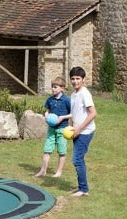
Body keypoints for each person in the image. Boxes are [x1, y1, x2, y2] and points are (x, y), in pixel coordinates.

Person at [35, 76, 72, 178]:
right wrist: (46, 115)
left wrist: (63, 117)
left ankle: (59, 172)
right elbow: (47, 110)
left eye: (55, 87)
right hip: (51, 129)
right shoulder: (50, 100)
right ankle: (43, 170)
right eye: (52, 87)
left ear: (62, 88)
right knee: (47, 150)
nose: (53, 89)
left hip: (62, 130)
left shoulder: (66, 100)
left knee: (62, 151)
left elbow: (72, 114)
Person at [69, 66, 97, 196]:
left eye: (78, 79)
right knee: (78, 159)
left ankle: (84, 189)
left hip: (85, 132)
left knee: (77, 159)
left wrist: (79, 128)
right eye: (73, 79)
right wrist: (71, 126)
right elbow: (74, 112)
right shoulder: (73, 95)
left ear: (83, 80)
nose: (75, 81)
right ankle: (81, 187)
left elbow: (93, 113)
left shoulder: (85, 94)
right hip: (76, 131)